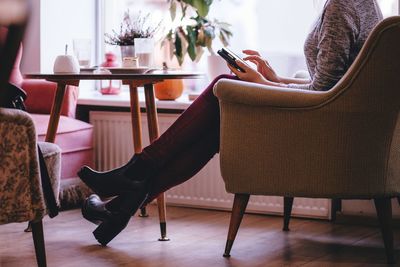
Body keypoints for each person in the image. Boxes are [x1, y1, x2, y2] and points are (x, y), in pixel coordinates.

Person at [78, 0, 383, 246]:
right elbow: (334, 89)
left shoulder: (341, 6)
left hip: (318, 135)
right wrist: (274, 79)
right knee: (215, 128)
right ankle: (123, 204)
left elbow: (323, 94)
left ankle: (132, 178)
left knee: (222, 85)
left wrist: (262, 82)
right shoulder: (365, 6)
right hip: (332, 127)